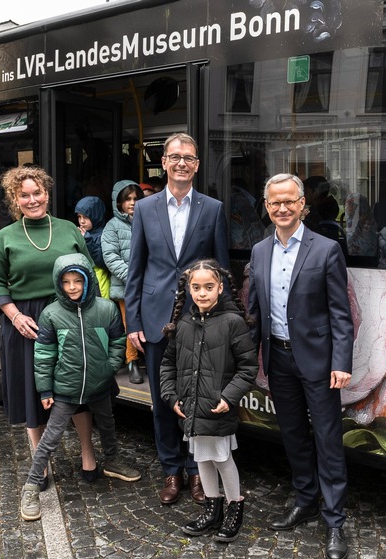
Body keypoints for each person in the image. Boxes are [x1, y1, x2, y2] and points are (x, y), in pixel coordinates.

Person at [247, 173, 354, 559]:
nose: (282, 208)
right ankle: (305, 499)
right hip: (278, 359)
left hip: (319, 362)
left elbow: (341, 315)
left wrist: (342, 361)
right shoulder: (259, 251)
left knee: (327, 440)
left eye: (289, 201)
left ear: (303, 204)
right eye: (274, 202)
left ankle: (335, 520)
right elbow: (256, 314)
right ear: (267, 206)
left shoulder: (325, 249)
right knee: (292, 435)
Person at [125, 132, 230, 505]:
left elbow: (221, 270)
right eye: (174, 156)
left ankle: (196, 472)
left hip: (199, 320)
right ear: (165, 163)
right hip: (154, 321)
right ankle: (170, 470)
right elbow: (135, 269)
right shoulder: (146, 208)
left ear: (197, 165)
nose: (181, 162)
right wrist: (133, 321)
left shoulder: (213, 209)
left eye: (188, 157)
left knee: (199, 400)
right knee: (162, 399)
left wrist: (224, 320)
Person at [0, 165, 97, 489]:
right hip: (26, 322)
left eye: (38, 193)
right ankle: (40, 461)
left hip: (68, 315)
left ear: (47, 194)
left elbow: (87, 272)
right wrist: (15, 316)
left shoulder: (67, 229)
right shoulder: (4, 238)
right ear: (14, 199)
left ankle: (88, 454)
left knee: (75, 389)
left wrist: (90, 318)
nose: (32, 199)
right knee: (33, 392)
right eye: (25, 195)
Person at [20, 253, 141, 521]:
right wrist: (46, 390)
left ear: (87, 280)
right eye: (66, 282)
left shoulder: (106, 308)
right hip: (66, 388)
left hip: (99, 384)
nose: (73, 287)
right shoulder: (51, 314)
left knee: (108, 424)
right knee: (50, 438)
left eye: (78, 280)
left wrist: (109, 368)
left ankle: (111, 460)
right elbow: (43, 356)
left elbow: (118, 342)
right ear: (58, 283)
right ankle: (30, 486)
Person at [159, 259, 257, 542]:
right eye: (196, 287)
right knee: (201, 457)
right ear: (188, 289)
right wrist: (171, 396)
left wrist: (229, 396)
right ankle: (212, 508)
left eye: (209, 287)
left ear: (221, 288)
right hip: (191, 406)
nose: (202, 293)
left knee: (223, 459)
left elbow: (248, 368)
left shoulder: (232, 323)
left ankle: (234, 506)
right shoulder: (183, 323)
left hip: (217, 407)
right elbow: (168, 364)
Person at [101, 180, 146, 384]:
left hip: (149, 285)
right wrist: (135, 277)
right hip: (126, 287)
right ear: (118, 203)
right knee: (131, 324)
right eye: (127, 199)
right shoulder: (112, 227)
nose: (132, 203)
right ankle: (132, 361)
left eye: (136, 198)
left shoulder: (148, 219)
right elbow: (111, 258)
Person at [75, 195, 111, 299]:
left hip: (99, 282)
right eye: (79, 217)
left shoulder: (104, 234)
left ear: (96, 216)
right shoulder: (83, 232)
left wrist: (87, 240)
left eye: (85, 217)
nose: (81, 221)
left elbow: (101, 261)